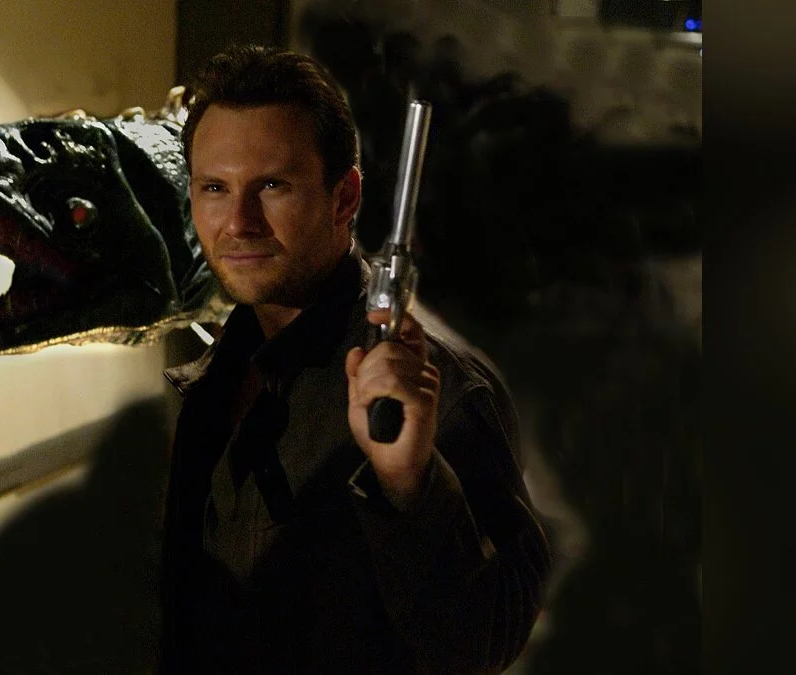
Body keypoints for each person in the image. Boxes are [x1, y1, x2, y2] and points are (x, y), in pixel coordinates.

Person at [159, 45, 551, 674]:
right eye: (215, 188)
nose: (238, 221)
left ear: (344, 199)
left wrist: (409, 484)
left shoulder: (442, 389)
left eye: (272, 186)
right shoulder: (218, 377)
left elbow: (484, 643)